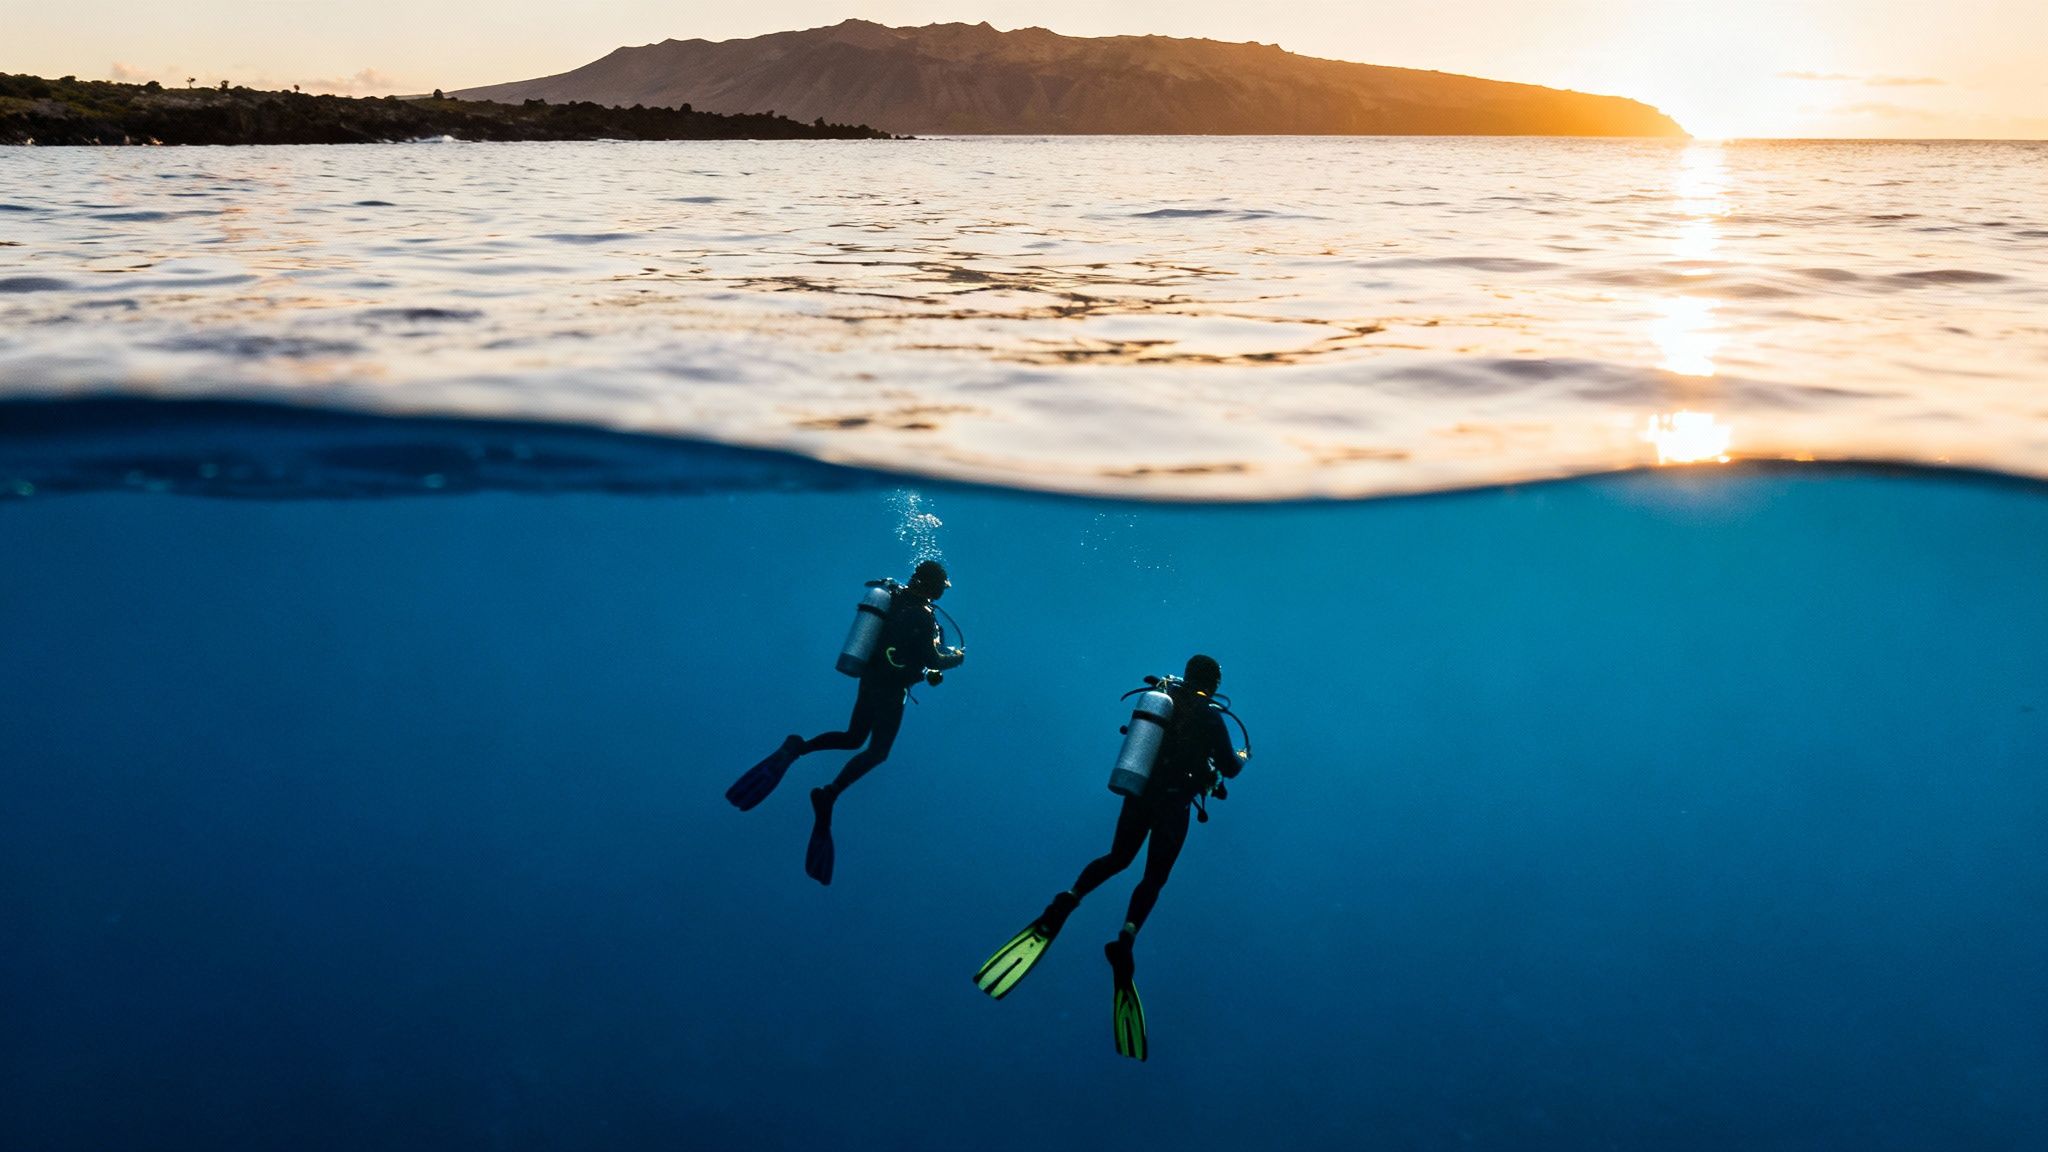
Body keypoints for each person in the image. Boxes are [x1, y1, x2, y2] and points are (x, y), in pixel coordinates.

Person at [973, 654, 1247, 1061]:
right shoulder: (1210, 718)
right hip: (1173, 806)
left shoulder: (1164, 699)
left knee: (1118, 857)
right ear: (1216, 681)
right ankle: (1126, 938)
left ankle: (1067, 899)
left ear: (1188, 675)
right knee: (1153, 878)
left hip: (1141, 794)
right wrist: (1238, 759)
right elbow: (1229, 767)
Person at [725, 559, 965, 886]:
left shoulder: (896, 598)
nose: (942, 591)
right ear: (932, 585)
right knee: (877, 751)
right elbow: (932, 658)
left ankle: (799, 747)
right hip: (891, 690)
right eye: (941, 585)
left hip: (870, 679)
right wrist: (955, 660)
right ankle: (829, 793)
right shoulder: (923, 615)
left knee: (854, 737)